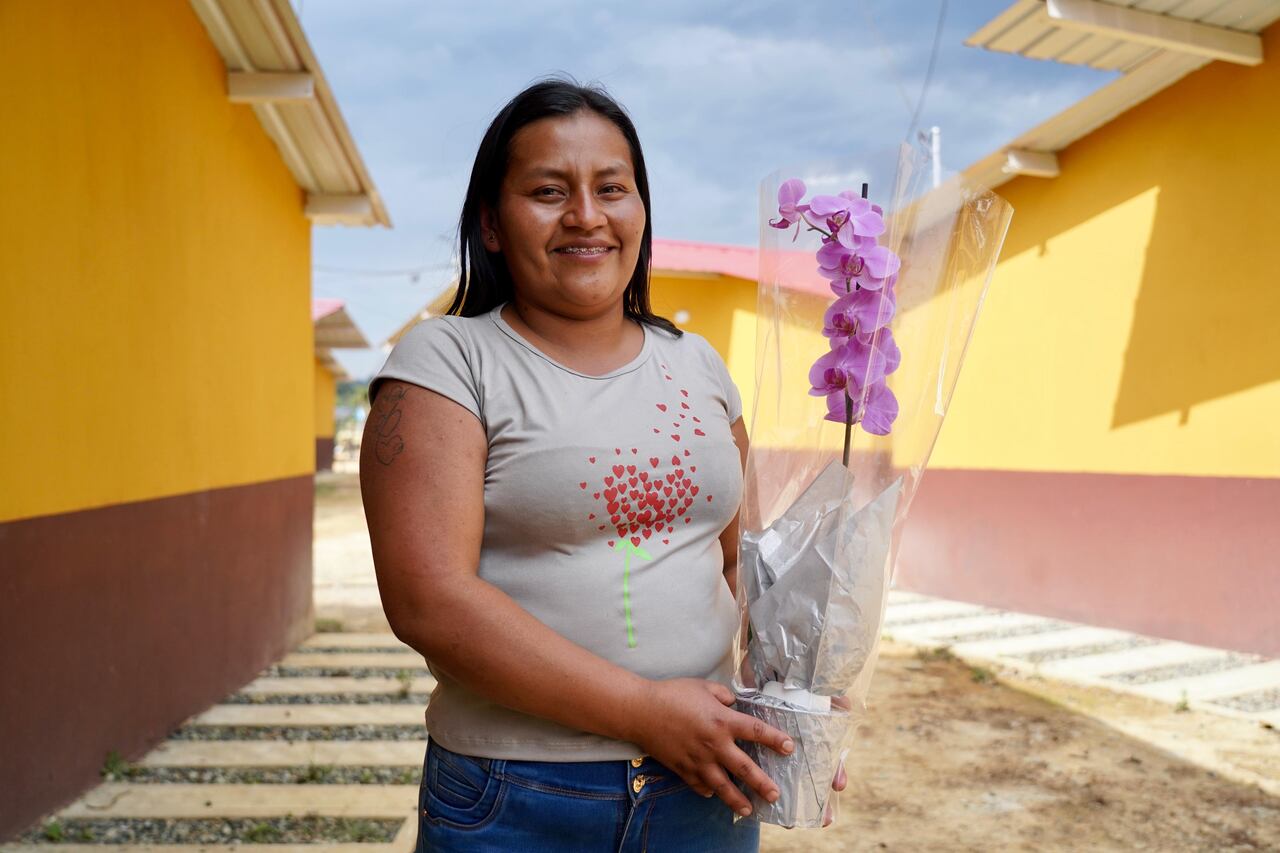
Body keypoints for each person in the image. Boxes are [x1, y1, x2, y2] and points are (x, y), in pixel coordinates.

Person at [361, 78, 845, 852]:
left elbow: (738, 566)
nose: (586, 215)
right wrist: (645, 711)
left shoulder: (701, 366)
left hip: (703, 781)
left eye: (611, 188)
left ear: (641, 212)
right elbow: (430, 603)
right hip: (518, 795)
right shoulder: (447, 362)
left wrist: (790, 706)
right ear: (491, 223)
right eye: (549, 191)